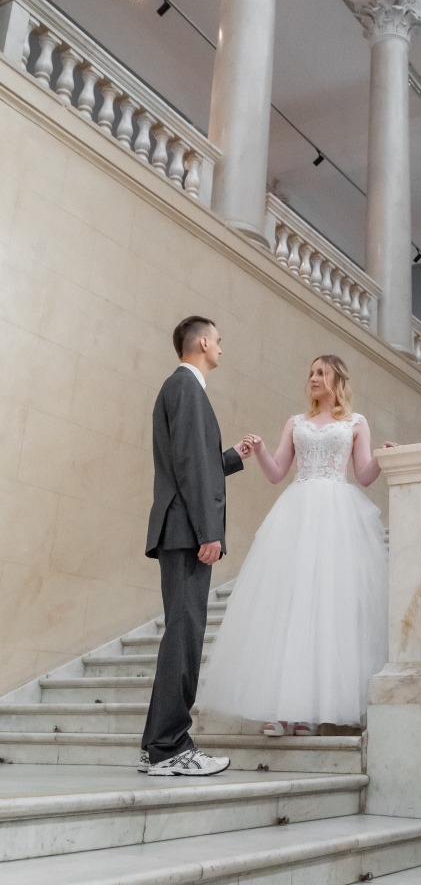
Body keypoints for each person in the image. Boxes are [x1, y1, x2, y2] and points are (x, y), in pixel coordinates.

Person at [196, 355, 391, 733]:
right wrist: (262, 451)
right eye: (311, 373)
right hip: (297, 513)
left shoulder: (355, 422)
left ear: (337, 380)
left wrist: (384, 457)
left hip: (337, 515)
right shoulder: (295, 422)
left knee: (326, 607)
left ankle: (308, 713)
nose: (313, 378)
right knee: (291, 604)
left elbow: (364, 475)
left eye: (321, 373)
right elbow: (277, 473)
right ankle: (284, 710)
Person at [140, 316, 250, 777]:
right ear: (202, 342)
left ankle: (158, 747)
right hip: (187, 531)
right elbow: (187, 464)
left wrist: (232, 458)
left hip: (183, 528)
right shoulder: (186, 388)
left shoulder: (182, 389)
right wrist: (210, 531)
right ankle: (169, 748)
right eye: (219, 341)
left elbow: (196, 462)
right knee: (184, 636)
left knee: (182, 635)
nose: (221, 348)